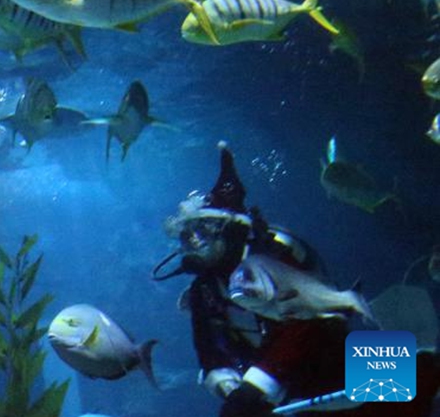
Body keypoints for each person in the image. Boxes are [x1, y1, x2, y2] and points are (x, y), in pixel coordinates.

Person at [154, 144, 439, 417]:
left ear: (228, 226)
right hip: (293, 393)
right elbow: (208, 346)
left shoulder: (278, 251)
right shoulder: (205, 289)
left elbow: (305, 322)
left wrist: (257, 386)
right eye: (187, 236)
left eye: (204, 229)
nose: (195, 241)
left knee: (419, 382)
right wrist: (229, 387)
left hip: (340, 361)